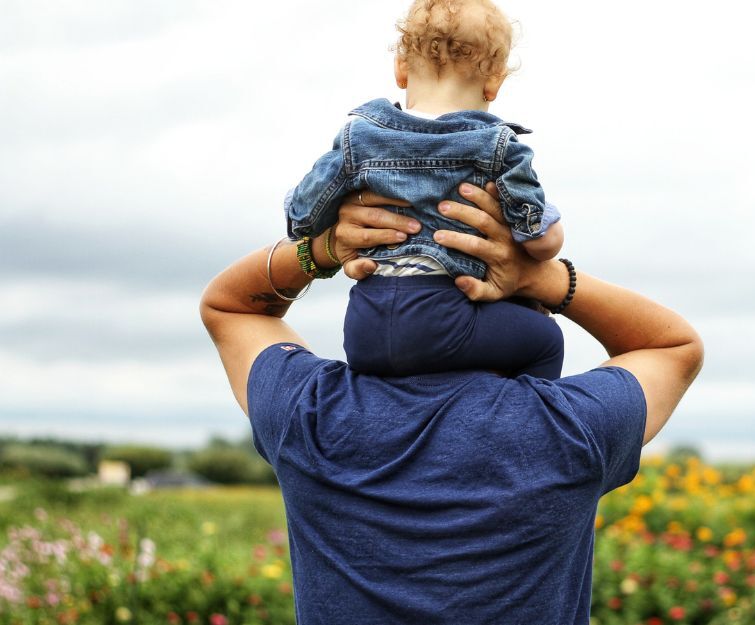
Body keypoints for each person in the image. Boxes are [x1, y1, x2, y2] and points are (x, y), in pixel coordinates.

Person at [200, 183, 703, 624]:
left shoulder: (311, 414)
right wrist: (542, 276)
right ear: (522, 314)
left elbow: (230, 306)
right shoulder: (571, 428)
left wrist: (323, 248)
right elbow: (672, 347)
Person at [286, 0, 566, 379]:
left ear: (400, 68)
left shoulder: (359, 136)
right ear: (495, 80)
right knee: (546, 338)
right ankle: (525, 427)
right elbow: (538, 241)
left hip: (364, 327)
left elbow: (301, 218)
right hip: (446, 318)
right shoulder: (498, 146)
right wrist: (551, 227)